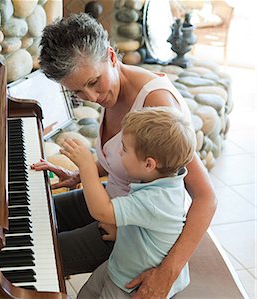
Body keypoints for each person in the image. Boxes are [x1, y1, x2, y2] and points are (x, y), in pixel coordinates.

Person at [31, 13, 216, 298]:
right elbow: (128, 162)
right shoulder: (111, 89)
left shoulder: (158, 107)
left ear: (111, 56)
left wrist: (167, 273)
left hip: (134, 225)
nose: (91, 97)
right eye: (77, 91)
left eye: (94, 82)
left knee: (36, 254)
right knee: (36, 213)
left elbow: (206, 198)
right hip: (112, 201)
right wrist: (81, 175)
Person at [60, 107, 195, 298]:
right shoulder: (163, 181)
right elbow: (148, 223)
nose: (120, 154)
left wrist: (87, 167)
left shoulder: (156, 199)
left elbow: (101, 211)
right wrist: (126, 231)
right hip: (119, 267)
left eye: (124, 149)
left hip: (132, 285)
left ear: (149, 164)